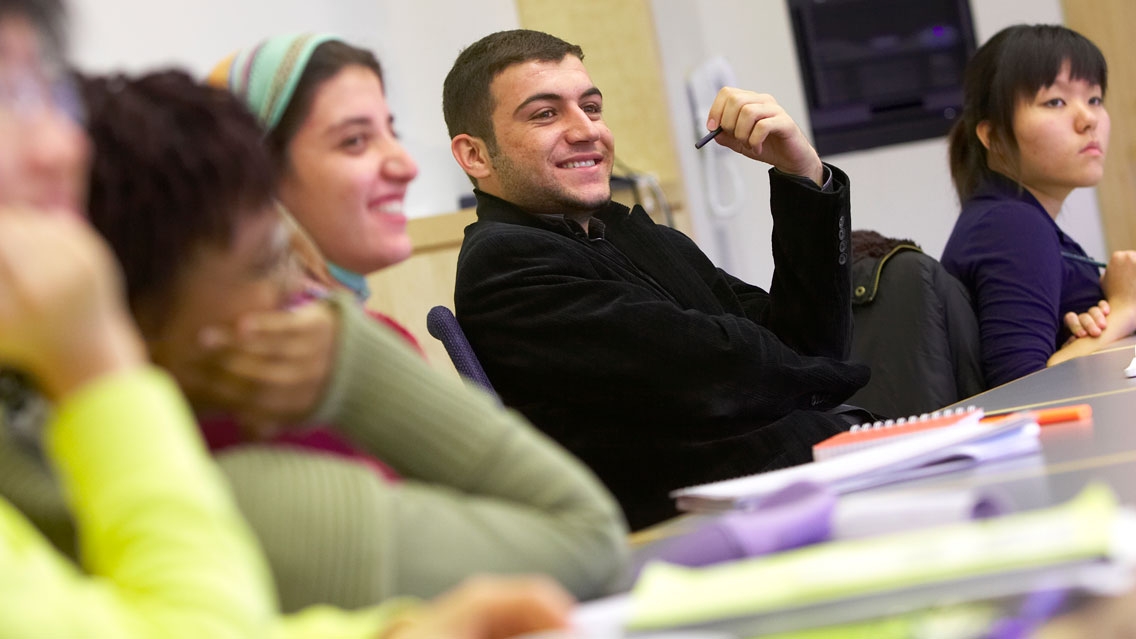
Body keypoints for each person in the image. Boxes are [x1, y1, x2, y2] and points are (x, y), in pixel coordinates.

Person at [0, 2, 578, 637]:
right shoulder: (263, 431)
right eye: (354, 140)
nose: (406, 162)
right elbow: (581, 533)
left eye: (38, 90)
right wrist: (97, 365)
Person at [442, 29, 870, 530]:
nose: (587, 131)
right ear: (475, 155)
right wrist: (842, 383)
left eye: (592, 107)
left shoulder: (627, 230)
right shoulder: (506, 264)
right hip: (715, 532)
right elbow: (723, 374)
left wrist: (801, 173)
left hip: (809, 481)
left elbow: (804, 341)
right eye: (545, 113)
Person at [941, 24, 1136, 388]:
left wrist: (1108, 312)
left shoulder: (1009, 218)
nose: (1088, 119)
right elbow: (1022, 389)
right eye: (1055, 102)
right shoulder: (1011, 226)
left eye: (1094, 99)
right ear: (994, 135)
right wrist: (1125, 309)